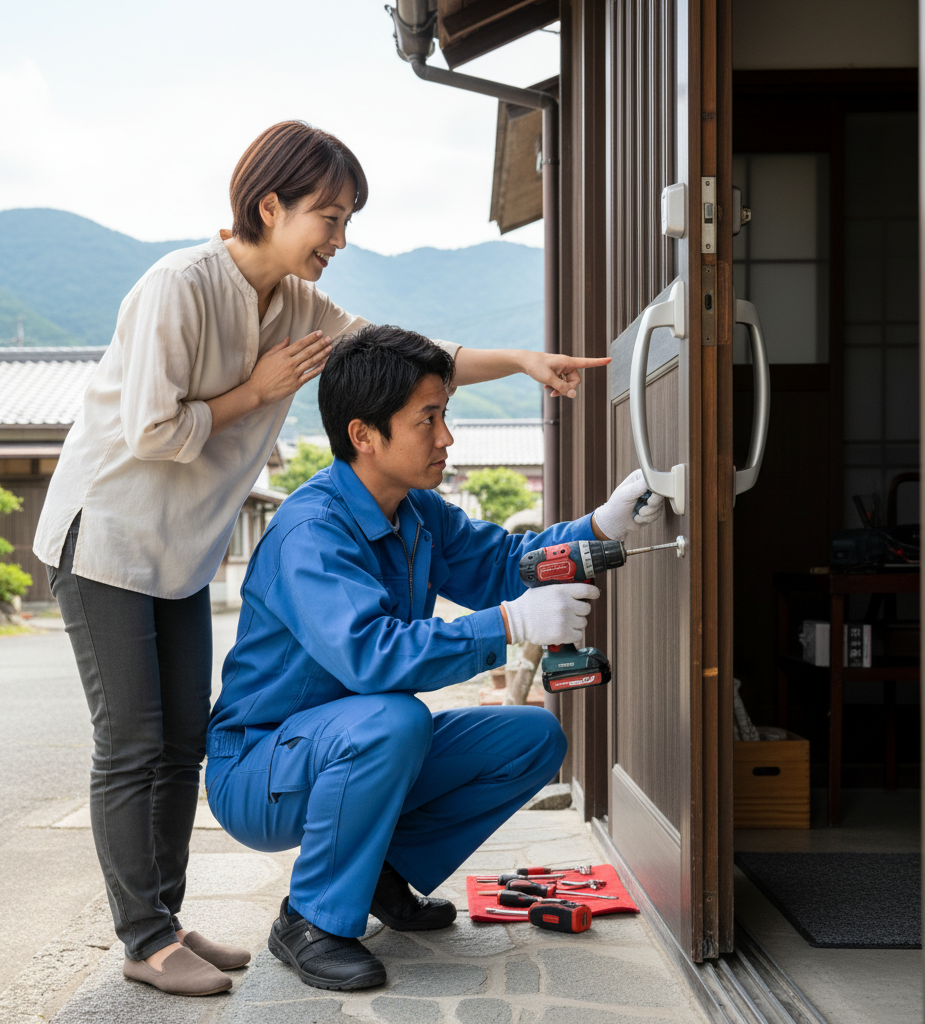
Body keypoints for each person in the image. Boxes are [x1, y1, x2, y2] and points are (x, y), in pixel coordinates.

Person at [33, 121, 611, 997]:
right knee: (134, 743)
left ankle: (198, 912)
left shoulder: (303, 309)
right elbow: (151, 428)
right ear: (270, 205)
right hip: (108, 533)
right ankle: (147, 937)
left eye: (347, 220)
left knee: (183, 742)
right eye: (328, 217)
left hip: (181, 545)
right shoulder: (179, 286)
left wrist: (522, 361)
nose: (340, 238)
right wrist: (257, 392)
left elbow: (413, 357)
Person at [205, 325, 662, 991]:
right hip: (260, 768)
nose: (446, 438)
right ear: (363, 434)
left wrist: (601, 525)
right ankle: (309, 920)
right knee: (394, 719)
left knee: (530, 737)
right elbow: (371, 659)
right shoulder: (311, 532)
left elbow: (501, 562)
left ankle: (377, 876)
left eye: (443, 415)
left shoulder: (417, 511)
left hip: (355, 745)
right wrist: (509, 622)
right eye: (429, 419)